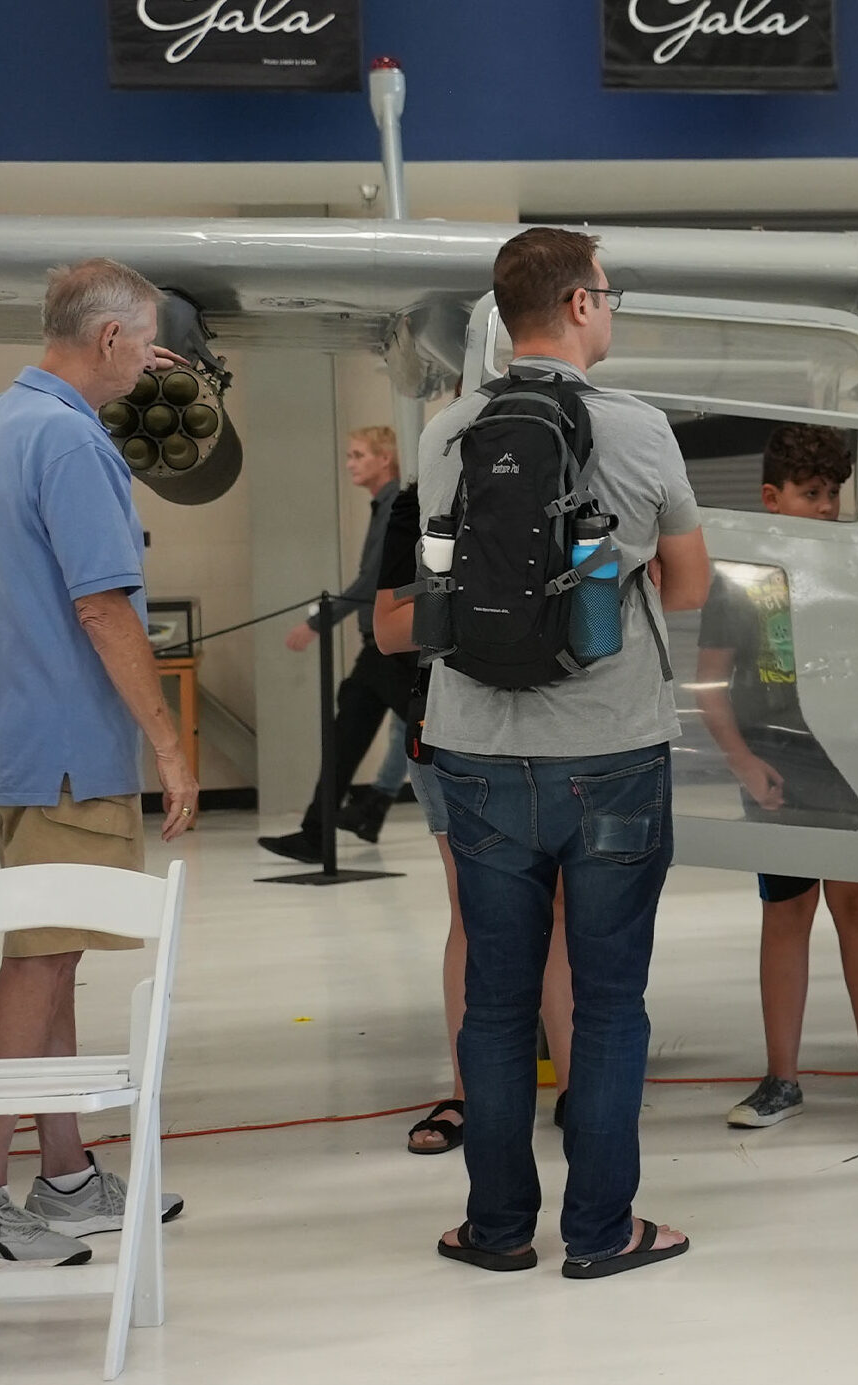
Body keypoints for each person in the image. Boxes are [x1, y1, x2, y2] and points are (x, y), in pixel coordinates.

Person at [417, 227, 709, 1277]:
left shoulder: (444, 431)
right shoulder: (637, 430)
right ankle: (601, 1230)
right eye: (607, 292)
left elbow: (440, 579)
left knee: (496, 1004)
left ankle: (495, 1228)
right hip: (612, 748)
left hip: (476, 749)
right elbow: (686, 585)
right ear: (580, 306)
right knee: (609, 999)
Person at [0, 258, 190, 1268]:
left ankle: (62, 1176)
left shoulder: (1, 419)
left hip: (19, 740)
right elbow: (103, 605)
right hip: (71, 753)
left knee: (56, 963)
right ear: (105, 341)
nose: (149, 361)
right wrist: (172, 744)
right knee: (38, 963)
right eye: (142, 342)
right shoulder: (71, 442)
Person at [695, 425, 858, 1128]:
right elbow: (711, 684)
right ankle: (780, 1078)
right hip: (778, 763)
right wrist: (745, 762)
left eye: (834, 492)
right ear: (772, 500)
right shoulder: (740, 580)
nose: (829, 506)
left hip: (855, 760)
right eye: (812, 493)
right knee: (787, 911)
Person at [370, 483, 576, 1156]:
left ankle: (578, 1086)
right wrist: (483, 599)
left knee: (562, 908)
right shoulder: (418, 501)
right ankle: (468, 1092)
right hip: (453, 727)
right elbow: (388, 628)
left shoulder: (571, 487)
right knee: (476, 908)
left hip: (559, 723)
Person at [257, 426, 414, 862]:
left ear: (385, 460)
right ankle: (318, 831)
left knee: (418, 730)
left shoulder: (396, 504)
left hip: (390, 647)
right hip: (381, 645)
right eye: (349, 455)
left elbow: (373, 580)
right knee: (348, 732)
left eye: (359, 455)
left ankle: (325, 828)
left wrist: (319, 622)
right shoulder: (384, 505)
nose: (350, 463)